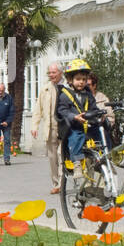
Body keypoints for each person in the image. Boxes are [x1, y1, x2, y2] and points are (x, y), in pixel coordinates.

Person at [55, 59, 101, 164]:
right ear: (70, 80)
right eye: (78, 79)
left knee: (100, 132)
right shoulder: (65, 95)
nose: (81, 82)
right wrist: (74, 117)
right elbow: (62, 110)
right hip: (73, 126)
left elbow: (94, 107)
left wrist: (99, 114)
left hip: (88, 125)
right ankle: (77, 163)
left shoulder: (88, 95)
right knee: (76, 137)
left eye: (84, 79)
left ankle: (103, 156)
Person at [30, 63, 64, 194]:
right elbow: (38, 109)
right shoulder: (45, 89)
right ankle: (56, 183)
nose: (51, 75)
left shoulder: (67, 87)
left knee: (62, 155)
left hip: (64, 127)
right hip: (51, 128)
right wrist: (34, 125)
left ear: (60, 73)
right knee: (52, 157)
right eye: (49, 73)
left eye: (53, 73)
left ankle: (61, 183)